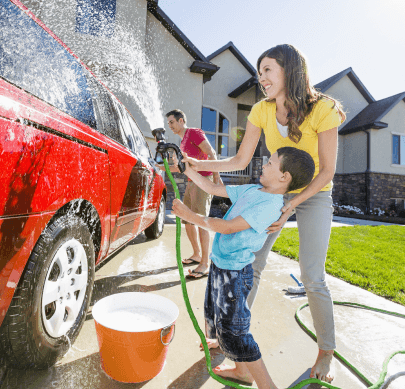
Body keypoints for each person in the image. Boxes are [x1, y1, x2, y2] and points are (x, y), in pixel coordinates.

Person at [182, 44, 346, 383]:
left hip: (314, 193)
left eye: (268, 70)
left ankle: (326, 351)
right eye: (260, 71)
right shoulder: (261, 110)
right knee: (250, 264)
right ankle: (235, 336)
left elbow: (327, 171)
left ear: (289, 71)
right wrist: (201, 164)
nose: (262, 77)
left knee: (312, 273)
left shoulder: (324, 109)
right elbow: (240, 161)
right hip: (274, 193)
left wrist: (291, 207)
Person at [172, 147, 315, 388]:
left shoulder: (270, 206)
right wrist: (187, 169)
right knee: (219, 318)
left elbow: (228, 227)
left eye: (270, 163)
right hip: (221, 265)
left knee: (236, 333)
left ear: (284, 177)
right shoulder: (252, 189)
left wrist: (191, 216)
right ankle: (239, 368)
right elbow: (212, 188)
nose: (264, 165)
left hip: (235, 275)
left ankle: (264, 383)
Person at [159, 109, 221, 279]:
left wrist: (217, 178)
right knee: (187, 219)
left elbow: (211, 152)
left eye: (171, 122)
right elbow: (180, 168)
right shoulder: (182, 142)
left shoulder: (194, 133)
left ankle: (205, 264)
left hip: (204, 181)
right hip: (192, 182)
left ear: (181, 120)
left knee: (201, 221)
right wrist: (159, 167)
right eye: (169, 123)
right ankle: (196, 254)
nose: (170, 126)